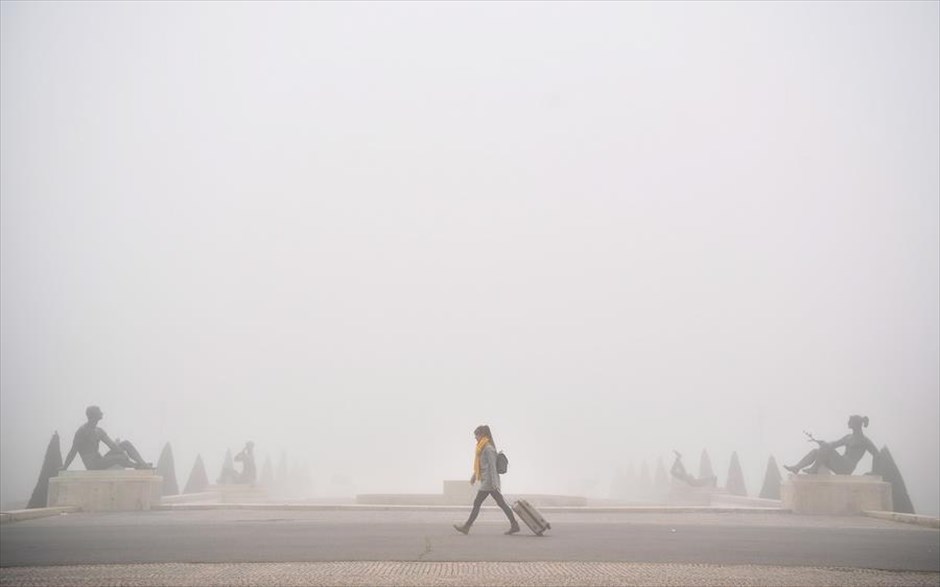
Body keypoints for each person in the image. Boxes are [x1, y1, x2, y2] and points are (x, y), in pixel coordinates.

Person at [453, 425, 519, 535]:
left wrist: (494, 484)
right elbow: (481, 464)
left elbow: (492, 467)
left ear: (482, 435)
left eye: (476, 435)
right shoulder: (482, 447)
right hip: (487, 481)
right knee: (501, 503)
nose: (475, 438)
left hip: (489, 482)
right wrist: (475, 476)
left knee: (477, 502)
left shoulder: (488, 448)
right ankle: (514, 524)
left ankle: (466, 527)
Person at [61, 405, 152, 471]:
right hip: (93, 465)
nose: (102, 413)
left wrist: (123, 450)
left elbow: (112, 446)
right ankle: (138, 466)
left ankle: (143, 464)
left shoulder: (99, 430)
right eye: (99, 412)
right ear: (94, 416)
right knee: (119, 458)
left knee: (125, 444)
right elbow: (73, 451)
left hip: (100, 460)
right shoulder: (82, 431)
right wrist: (65, 467)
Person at [784, 415, 879, 475]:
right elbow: (834, 444)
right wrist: (822, 443)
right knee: (816, 452)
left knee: (825, 448)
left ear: (856, 424)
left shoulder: (864, 440)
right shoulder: (848, 437)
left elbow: (876, 454)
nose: (848, 423)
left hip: (847, 468)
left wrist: (874, 471)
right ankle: (797, 468)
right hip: (840, 463)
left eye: (850, 422)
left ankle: (814, 469)